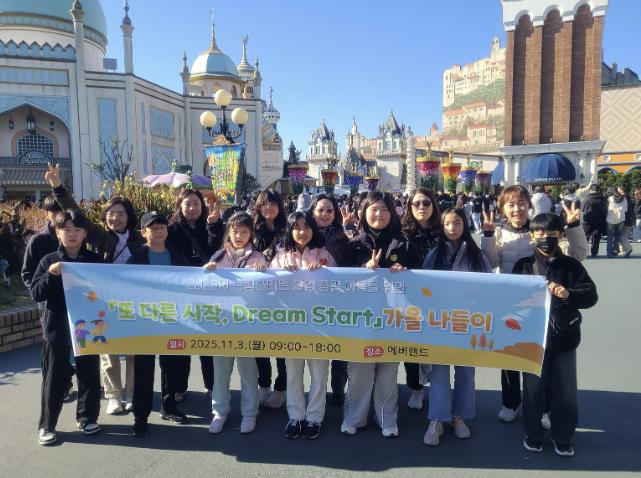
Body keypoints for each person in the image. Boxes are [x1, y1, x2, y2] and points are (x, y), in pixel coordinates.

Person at [481, 185, 587, 424]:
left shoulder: (541, 230)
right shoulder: (498, 232)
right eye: (510, 204)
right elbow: (491, 262)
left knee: (541, 357)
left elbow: (577, 255)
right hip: (510, 304)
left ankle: (546, 407)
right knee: (509, 357)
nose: (517, 209)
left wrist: (573, 227)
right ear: (503, 209)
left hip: (543, 306)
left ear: (529, 205)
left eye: (521, 203)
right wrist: (487, 236)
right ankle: (511, 402)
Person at [45, 163, 144, 415]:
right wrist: (58, 188)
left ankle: (132, 393)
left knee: (134, 349)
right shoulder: (100, 237)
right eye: (111, 213)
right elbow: (75, 212)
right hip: (103, 301)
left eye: (121, 213)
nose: (115, 217)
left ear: (129, 216)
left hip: (133, 302)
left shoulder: (139, 240)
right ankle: (114, 395)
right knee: (107, 349)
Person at [513, 213, 598, 457]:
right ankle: (533, 434)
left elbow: (591, 295)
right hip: (531, 340)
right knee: (532, 390)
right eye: (540, 233)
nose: (546, 238)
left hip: (564, 338)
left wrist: (568, 294)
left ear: (561, 236)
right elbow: (510, 299)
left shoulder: (572, 266)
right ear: (532, 236)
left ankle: (563, 437)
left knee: (565, 390)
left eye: (552, 234)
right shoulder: (523, 266)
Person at [341, 191, 415, 437]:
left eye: (384, 210)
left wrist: (405, 270)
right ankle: (354, 417)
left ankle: (387, 418)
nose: (379, 214)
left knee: (388, 371)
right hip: (361, 318)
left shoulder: (403, 242)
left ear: (392, 213)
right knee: (359, 371)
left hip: (392, 318)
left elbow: (420, 276)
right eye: (374, 209)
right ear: (363, 212)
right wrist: (364, 269)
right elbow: (340, 280)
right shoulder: (355, 243)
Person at [30, 209, 103, 445]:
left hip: (87, 327)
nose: (72, 234)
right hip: (57, 328)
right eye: (66, 229)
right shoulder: (49, 260)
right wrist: (51, 275)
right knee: (54, 378)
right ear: (57, 232)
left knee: (89, 374)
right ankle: (47, 425)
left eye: (77, 229)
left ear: (85, 233)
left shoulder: (95, 261)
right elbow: (36, 293)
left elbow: (108, 289)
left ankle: (87, 418)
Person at [422, 208, 491, 446]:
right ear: (442, 227)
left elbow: (490, 286)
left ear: (465, 225)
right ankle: (437, 418)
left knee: (466, 372)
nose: (452, 228)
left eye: (458, 223)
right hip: (440, 322)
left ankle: (459, 416)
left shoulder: (477, 255)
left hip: (468, 322)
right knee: (439, 372)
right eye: (448, 224)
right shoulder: (434, 254)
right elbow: (422, 286)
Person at [271, 211, 336, 439]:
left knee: (319, 373)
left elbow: (338, 286)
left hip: (319, 325)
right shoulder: (280, 257)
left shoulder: (324, 254)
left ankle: (315, 417)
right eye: (297, 227)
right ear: (289, 231)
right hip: (291, 325)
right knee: (293, 372)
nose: (302, 232)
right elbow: (268, 287)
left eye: (306, 226)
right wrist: (281, 274)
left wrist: (323, 272)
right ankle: (296, 415)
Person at [127, 211, 190, 436]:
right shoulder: (136, 258)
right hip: (145, 321)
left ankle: (169, 407)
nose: (159, 231)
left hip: (172, 318)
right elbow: (124, 286)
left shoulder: (176, 253)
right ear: (143, 232)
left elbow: (189, 280)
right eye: (153, 227)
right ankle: (140, 416)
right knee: (143, 370)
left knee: (171, 366)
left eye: (162, 227)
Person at [203, 212, 267, 435]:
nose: (239, 236)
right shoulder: (218, 256)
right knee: (221, 372)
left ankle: (250, 412)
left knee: (248, 372)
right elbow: (204, 284)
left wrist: (264, 271)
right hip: (221, 323)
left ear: (251, 234)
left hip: (247, 324)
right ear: (228, 232)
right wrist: (208, 271)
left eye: (244, 232)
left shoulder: (258, 258)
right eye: (235, 231)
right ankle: (219, 411)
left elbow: (268, 288)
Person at [167, 188, 225, 401]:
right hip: (181, 290)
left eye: (196, 204)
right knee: (182, 341)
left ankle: (211, 385)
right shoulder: (171, 229)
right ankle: (180, 386)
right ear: (179, 206)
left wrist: (214, 226)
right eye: (187, 204)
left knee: (206, 341)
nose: (192, 208)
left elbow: (215, 251)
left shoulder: (209, 225)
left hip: (206, 290)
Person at [400, 188, 442, 410]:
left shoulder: (443, 231)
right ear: (409, 207)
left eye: (426, 203)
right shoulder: (403, 234)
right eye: (416, 203)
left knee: (436, 344)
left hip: (439, 298)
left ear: (433, 205)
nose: (421, 207)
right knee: (411, 347)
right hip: (411, 299)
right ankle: (416, 388)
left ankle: (438, 388)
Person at [310, 194, 351, 405]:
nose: (324, 214)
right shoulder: (304, 233)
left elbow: (352, 264)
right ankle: (315, 391)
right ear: (312, 212)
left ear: (335, 214)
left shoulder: (343, 237)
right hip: (309, 301)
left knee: (339, 347)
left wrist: (349, 228)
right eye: (320, 210)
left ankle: (338, 389)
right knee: (313, 349)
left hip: (337, 299)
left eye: (329, 210)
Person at [252, 189, 289, 408]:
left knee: (282, 345)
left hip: (284, 295)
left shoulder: (288, 230)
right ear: (258, 207)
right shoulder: (252, 230)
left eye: (273, 203)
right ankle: (263, 383)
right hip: (258, 296)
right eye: (264, 203)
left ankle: (281, 388)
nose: (269, 207)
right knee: (261, 344)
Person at [580, 184, 607, 257]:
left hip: (587, 220)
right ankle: (594, 252)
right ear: (598, 190)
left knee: (585, 237)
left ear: (590, 190)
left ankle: (584, 252)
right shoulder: (603, 198)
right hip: (599, 220)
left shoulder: (587, 198)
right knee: (596, 237)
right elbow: (605, 209)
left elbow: (582, 209)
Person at [605, 187, 631, 258]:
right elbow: (625, 210)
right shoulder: (624, 199)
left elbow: (606, 208)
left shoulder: (610, 198)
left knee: (610, 236)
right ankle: (614, 250)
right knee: (617, 236)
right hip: (621, 219)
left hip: (610, 219)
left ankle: (609, 253)